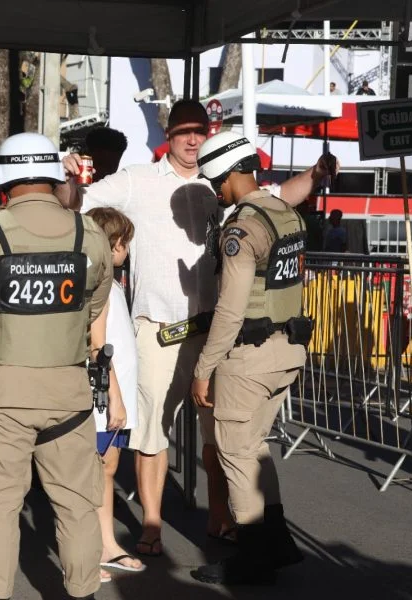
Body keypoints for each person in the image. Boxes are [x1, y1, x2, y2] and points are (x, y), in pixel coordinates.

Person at [56, 99, 337, 556]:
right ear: (167, 133)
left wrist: (317, 175)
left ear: (210, 134)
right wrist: (68, 176)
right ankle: (151, 523)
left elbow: (279, 198)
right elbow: (77, 204)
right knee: (150, 435)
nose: (192, 138)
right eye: (183, 130)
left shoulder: (221, 181)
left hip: (218, 335)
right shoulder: (138, 180)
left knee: (219, 438)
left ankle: (221, 519)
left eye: (199, 131)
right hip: (159, 329)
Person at [0, 132, 113, 600]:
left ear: (4, 179)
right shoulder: (89, 233)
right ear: (52, 175)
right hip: (70, 391)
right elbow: (95, 303)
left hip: (2, 394)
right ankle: (83, 592)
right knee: (78, 506)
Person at [189, 132, 307, 585]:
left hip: (248, 358)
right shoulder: (286, 215)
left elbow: (231, 309)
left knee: (236, 452)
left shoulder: (241, 230)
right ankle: (278, 542)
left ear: (230, 173)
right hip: (287, 351)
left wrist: (204, 370)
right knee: (256, 448)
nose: (214, 189)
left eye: (215, 180)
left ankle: (254, 556)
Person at [84, 207, 145, 579]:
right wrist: (116, 397)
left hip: (112, 393)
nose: (126, 250)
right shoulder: (99, 284)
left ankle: (106, 543)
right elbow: (98, 346)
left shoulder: (111, 281)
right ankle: (89, 548)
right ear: (112, 244)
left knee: (107, 469)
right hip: (104, 395)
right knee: (95, 470)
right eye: (124, 243)